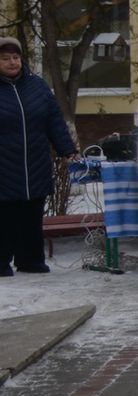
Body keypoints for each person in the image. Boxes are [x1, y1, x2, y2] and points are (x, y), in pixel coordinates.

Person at [0, 36, 77, 276]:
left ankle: (31, 260)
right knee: (5, 216)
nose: (12, 63)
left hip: (35, 163)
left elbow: (54, 119)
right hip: (4, 164)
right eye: (5, 59)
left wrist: (67, 150)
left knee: (32, 214)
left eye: (16, 57)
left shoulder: (37, 86)